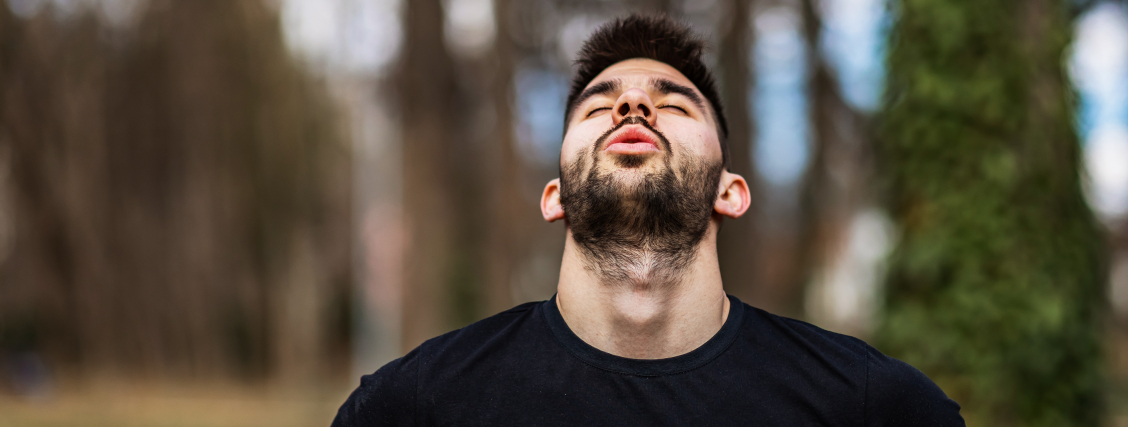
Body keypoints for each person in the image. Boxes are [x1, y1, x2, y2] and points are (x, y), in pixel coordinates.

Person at [332, 14, 964, 426]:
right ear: (554, 196)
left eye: (675, 104)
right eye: (597, 106)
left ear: (730, 192)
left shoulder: (872, 407)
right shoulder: (414, 407)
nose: (633, 104)